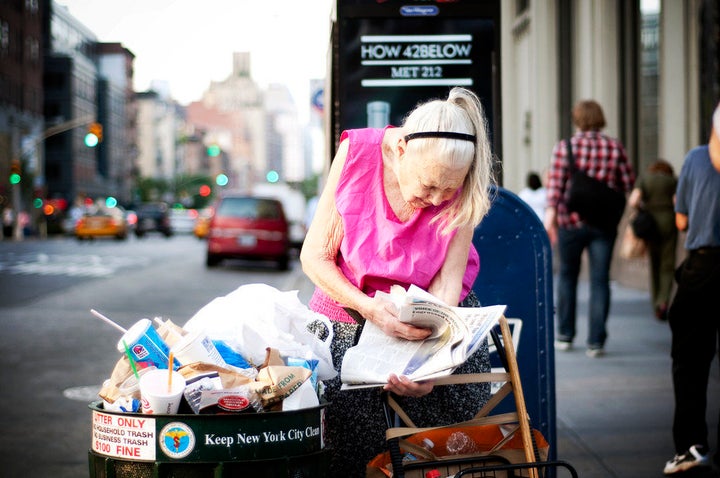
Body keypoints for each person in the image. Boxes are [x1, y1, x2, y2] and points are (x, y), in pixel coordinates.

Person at [300, 87, 495, 477]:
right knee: (351, 442)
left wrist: (430, 370)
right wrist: (371, 308)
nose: (438, 199)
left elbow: (447, 284)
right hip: (350, 308)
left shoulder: (464, 181)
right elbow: (315, 257)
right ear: (401, 149)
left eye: (448, 189)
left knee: (443, 441)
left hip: (433, 318)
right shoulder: (357, 153)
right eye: (428, 185)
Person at [544, 99, 635, 357]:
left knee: (567, 277)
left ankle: (565, 335)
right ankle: (596, 342)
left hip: (569, 222)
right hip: (603, 224)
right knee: (599, 281)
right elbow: (628, 183)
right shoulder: (615, 147)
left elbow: (555, 188)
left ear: (577, 119)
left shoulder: (565, 147)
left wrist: (549, 220)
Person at [663, 103, 720, 475]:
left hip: (705, 266)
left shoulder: (697, 158)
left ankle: (691, 447)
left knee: (690, 362)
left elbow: (682, 220)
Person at [628, 159, 678, 320]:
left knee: (654, 263)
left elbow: (633, 200)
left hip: (650, 222)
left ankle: (655, 301)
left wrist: (642, 210)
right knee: (667, 264)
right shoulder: (673, 181)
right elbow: (678, 201)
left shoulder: (644, 178)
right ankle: (664, 301)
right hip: (669, 220)